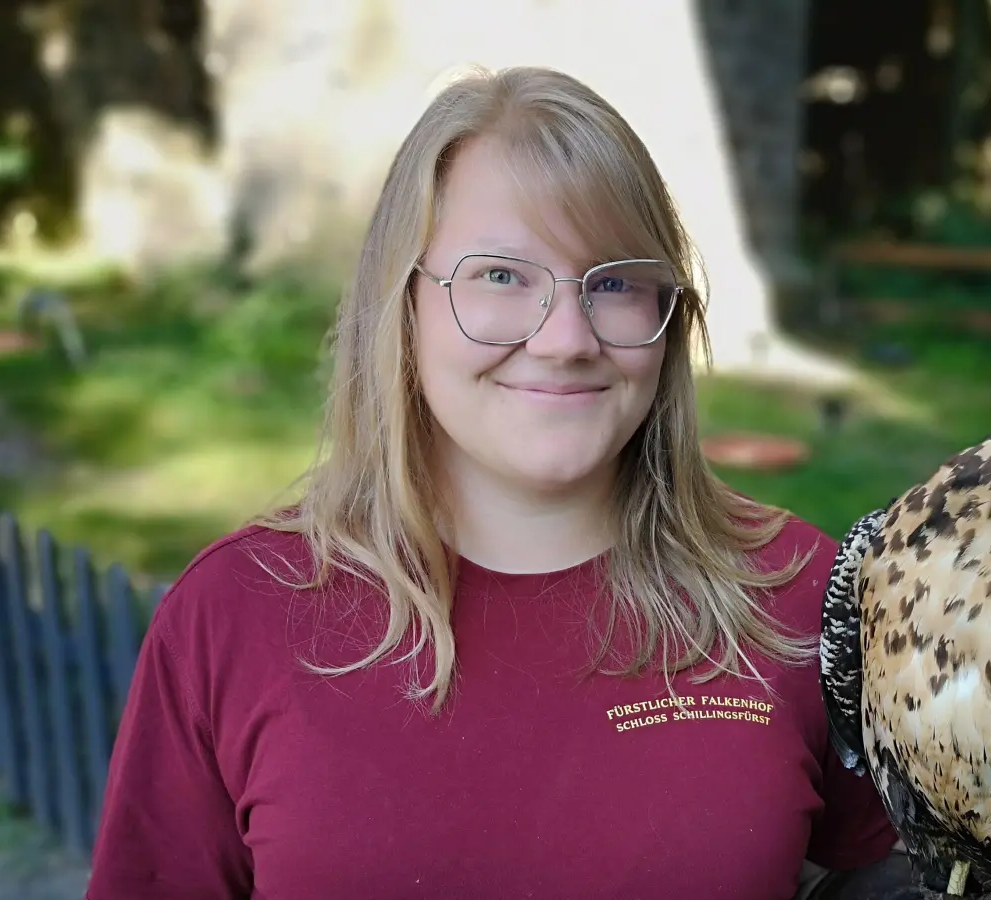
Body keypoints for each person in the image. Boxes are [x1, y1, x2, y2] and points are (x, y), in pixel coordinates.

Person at [85, 65, 923, 899]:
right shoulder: (236, 614)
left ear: (668, 320)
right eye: (499, 276)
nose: (565, 339)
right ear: (402, 307)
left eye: (616, 283)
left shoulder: (798, 598)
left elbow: (898, 875)